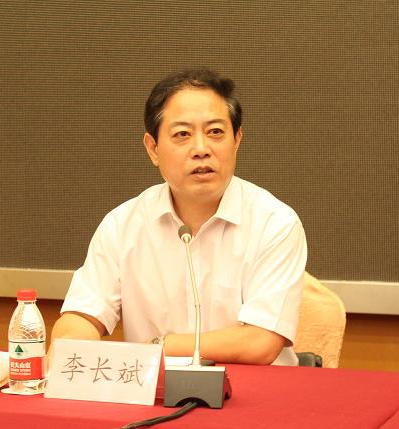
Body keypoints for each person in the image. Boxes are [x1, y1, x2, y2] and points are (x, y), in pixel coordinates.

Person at [51, 68, 307, 365]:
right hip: (157, 391)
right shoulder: (122, 225)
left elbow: (259, 342)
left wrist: (156, 347)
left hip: (253, 391)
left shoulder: (275, 223)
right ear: (153, 149)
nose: (201, 149)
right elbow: (82, 316)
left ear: (237, 140)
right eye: (182, 134)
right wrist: (70, 346)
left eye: (215, 132)